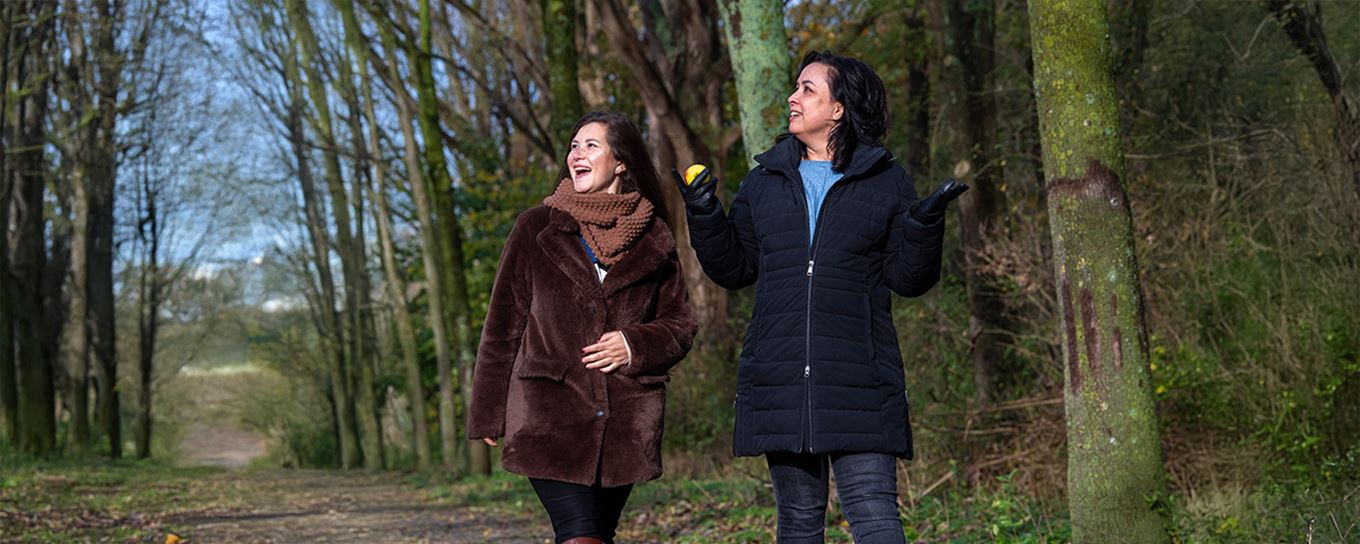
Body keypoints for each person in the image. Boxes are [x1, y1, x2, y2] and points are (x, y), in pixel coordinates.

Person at [673, 51, 968, 543]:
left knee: (875, 517)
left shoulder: (885, 180)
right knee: (799, 521)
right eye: (796, 87)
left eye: (807, 89)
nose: (793, 96)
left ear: (839, 109)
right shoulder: (764, 180)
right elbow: (735, 268)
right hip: (781, 379)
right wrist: (704, 214)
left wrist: (924, 224)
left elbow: (908, 278)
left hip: (860, 380)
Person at [469, 111, 698, 544]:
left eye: (591, 145)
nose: (577, 154)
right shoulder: (536, 227)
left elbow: (681, 324)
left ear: (622, 161)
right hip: (548, 414)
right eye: (574, 146)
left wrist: (635, 344)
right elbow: (502, 325)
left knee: (597, 534)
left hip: (626, 423)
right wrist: (487, 408)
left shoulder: (655, 237)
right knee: (580, 535)